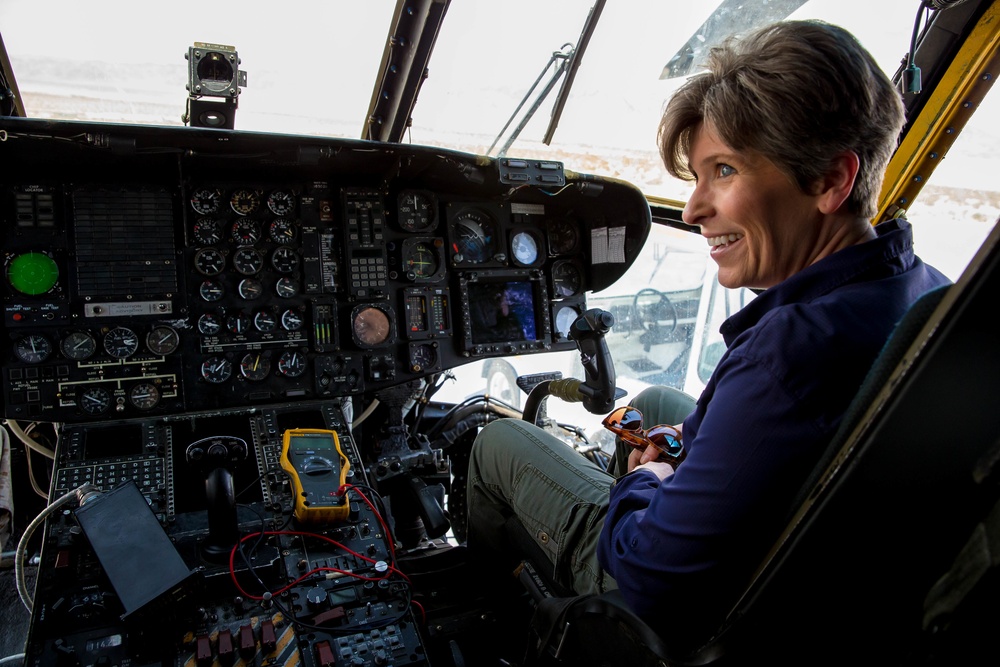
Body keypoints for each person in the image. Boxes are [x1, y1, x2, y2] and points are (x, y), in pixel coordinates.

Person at [465, 19, 951, 648]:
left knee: (498, 442)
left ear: (832, 179)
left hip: (678, 607)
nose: (694, 210)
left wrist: (646, 484)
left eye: (723, 171)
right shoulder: (922, 288)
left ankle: (486, 633)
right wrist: (681, 454)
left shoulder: (789, 354)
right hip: (805, 561)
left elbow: (647, 574)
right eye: (698, 177)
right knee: (655, 409)